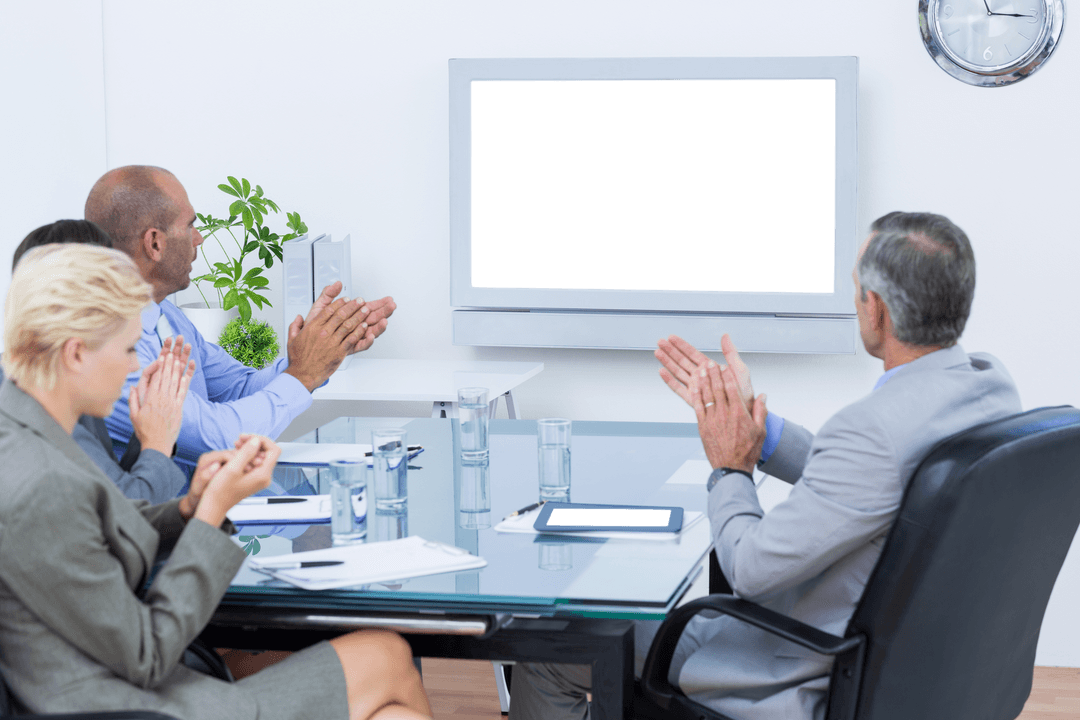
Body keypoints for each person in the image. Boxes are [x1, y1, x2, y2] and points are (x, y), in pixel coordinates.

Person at [509, 211, 1022, 720]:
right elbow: (872, 479)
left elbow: (751, 570)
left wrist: (730, 469)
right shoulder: (987, 386)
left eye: (857, 288)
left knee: (548, 646)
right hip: (906, 664)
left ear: (878, 310)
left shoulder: (872, 431)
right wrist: (761, 429)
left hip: (790, 664)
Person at [0, 243, 432, 720]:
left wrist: (188, 507)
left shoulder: (23, 429)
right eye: (128, 350)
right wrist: (211, 516)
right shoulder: (38, 481)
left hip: (115, 682)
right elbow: (147, 653)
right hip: (123, 701)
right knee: (386, 655)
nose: (132, 369)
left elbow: (89, 529)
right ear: (77, 353)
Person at [84, 165, 397, 477]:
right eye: (190, 226)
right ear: (155, 243)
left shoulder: (167, 316)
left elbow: (237, 388)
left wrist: (316, 350)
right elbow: (220, 438)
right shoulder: (108, 346)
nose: (200, 238)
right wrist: (303, 374)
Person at [1, 219, 193, 503]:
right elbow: (123, 515)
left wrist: (153, 430)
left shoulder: (62, 384)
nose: (134, 364)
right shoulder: (35, 413)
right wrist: (158, 444)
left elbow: (110, 492)